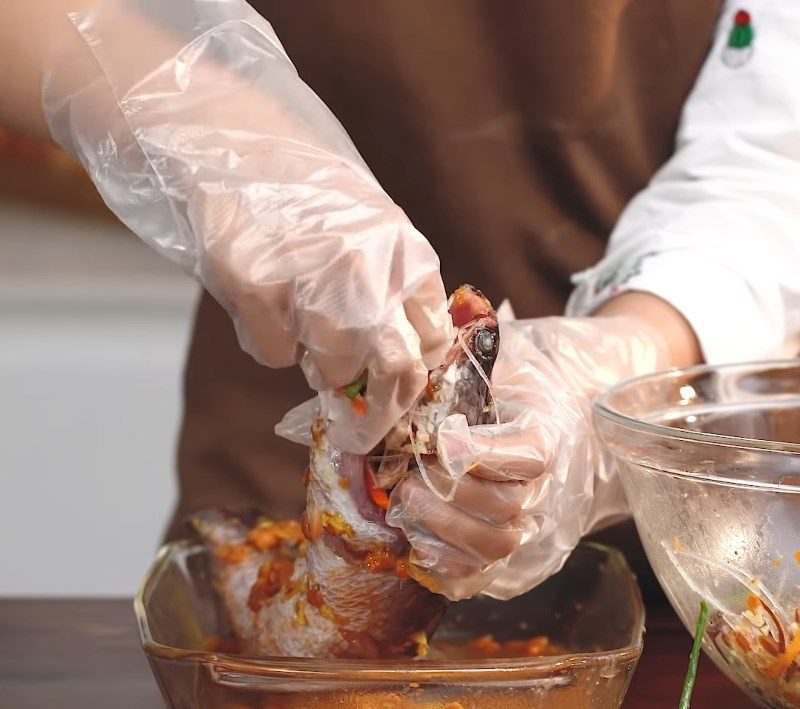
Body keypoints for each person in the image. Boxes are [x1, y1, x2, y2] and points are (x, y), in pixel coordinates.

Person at [2, 1, 800, 599]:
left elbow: (772, 155)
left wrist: (611, 377)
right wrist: (217, 128)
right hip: (278, 520)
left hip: (680, 542)